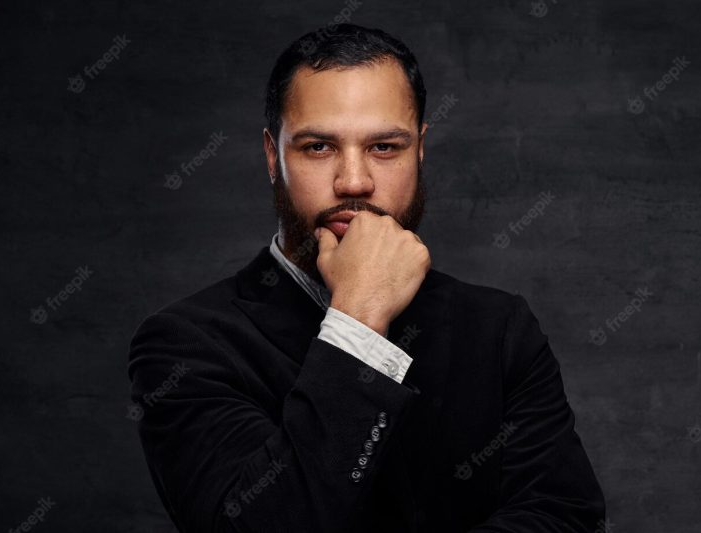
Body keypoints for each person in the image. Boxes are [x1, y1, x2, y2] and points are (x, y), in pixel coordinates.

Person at [127, 23, 606, 532]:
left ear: (419, 150)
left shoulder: (500, 328)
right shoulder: (186, 345)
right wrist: (359, 318)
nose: (353, 181)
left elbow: (564, 517)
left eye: (384, 147)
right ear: (273, 156)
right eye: (318, 147)